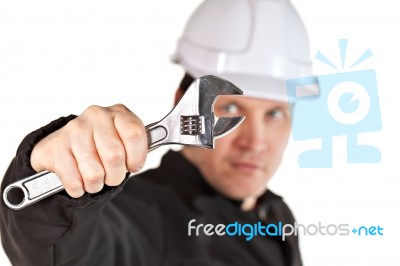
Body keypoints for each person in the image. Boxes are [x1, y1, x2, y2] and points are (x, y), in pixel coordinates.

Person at [0, 0, 312, 265]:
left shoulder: (276, 215)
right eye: (230, 109)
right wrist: (55, 184)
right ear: (184, 103)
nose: (255, 142)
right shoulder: (145, 215)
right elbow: (62, 252)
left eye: (274, 113)